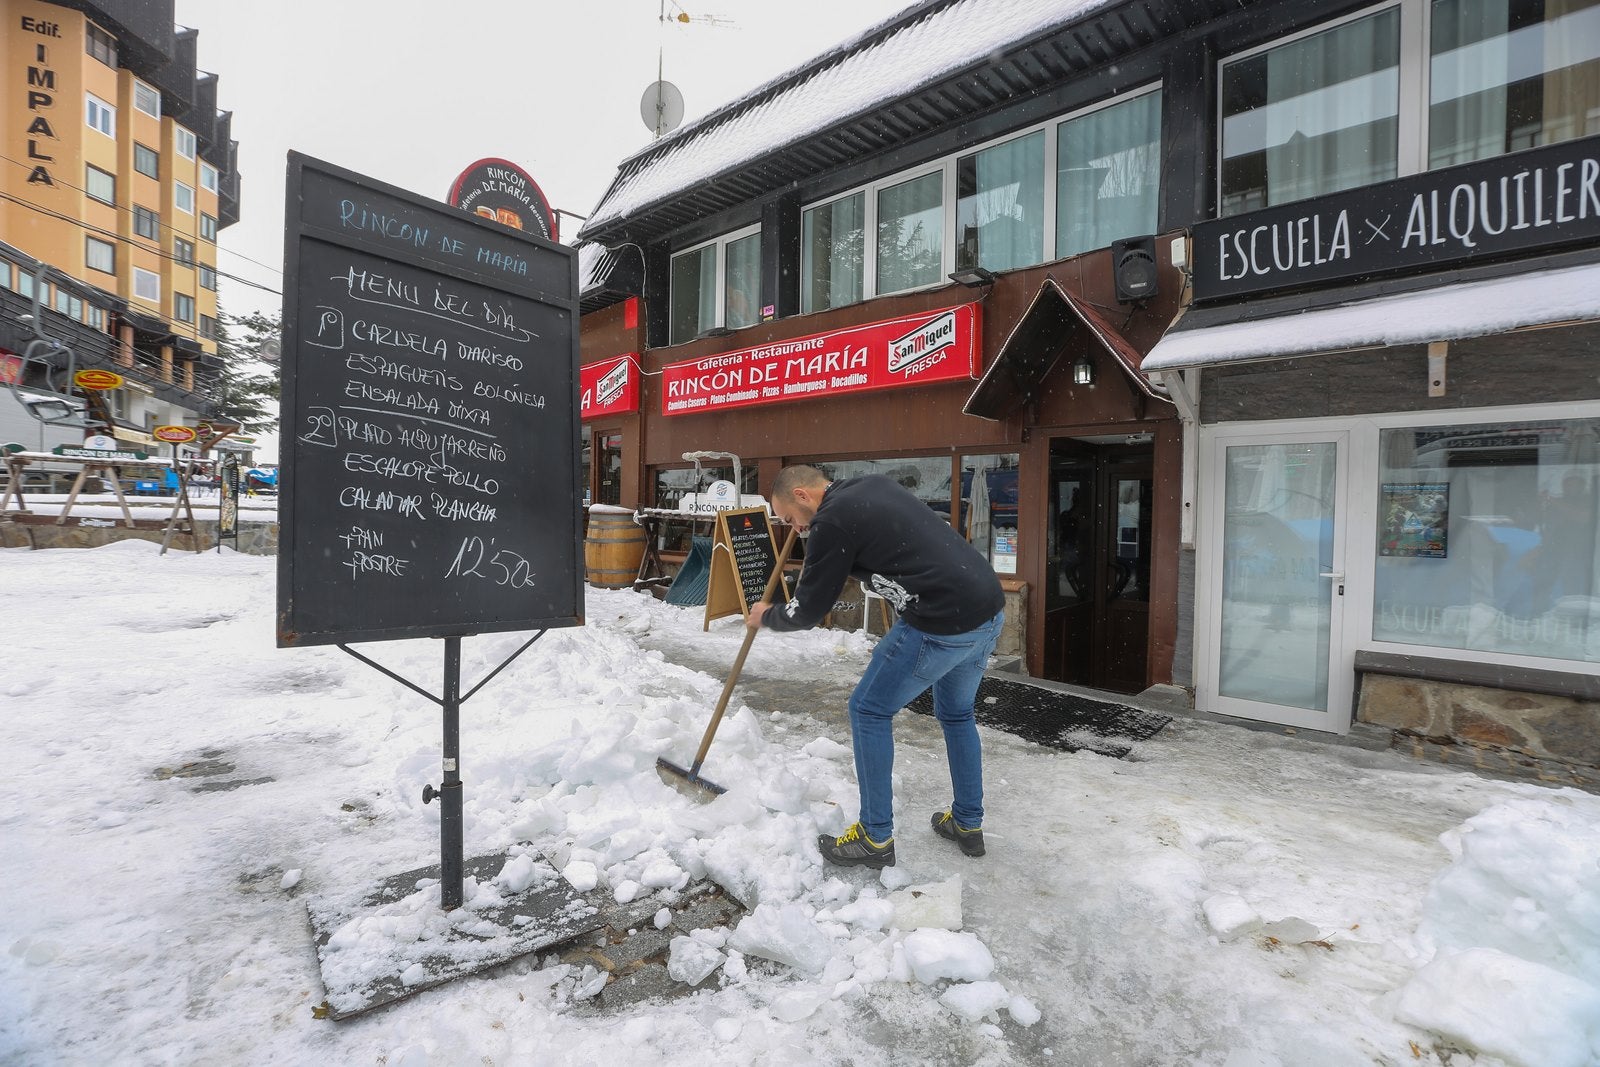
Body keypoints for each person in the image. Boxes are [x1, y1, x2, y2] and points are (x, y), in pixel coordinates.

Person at [747, 465, 1005, 869]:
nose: (794, 529)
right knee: (957, 716)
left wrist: (767, 615)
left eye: (788, 520)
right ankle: (968, 822)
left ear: (802, 495)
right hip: (986, 611)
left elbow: (809, 610)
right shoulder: (870, 487)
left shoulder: (831, 521)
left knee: (868, 710)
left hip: (940, 620)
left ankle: (874, 837)